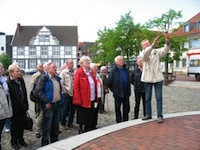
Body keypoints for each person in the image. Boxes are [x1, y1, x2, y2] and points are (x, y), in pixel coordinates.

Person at [140, 35, 170, 123]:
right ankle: (148, 114)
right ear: (143, 46)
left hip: (158, 78)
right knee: (147, 98)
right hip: (147, 79)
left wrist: (167, 42)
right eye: (146, 44)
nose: (149, 44)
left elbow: (165, 50)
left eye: (149, 43)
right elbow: (145, 55)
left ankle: (160, 116)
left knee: (159, 97)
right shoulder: (142, 53)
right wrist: (152, 45)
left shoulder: (156, 52)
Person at [35, 62, 62, 146]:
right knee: (47, 125)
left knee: (56, 123)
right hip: (48, 105)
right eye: (53, 67)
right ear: (48, 69)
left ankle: (54, 139)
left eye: (55, 67)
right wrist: (46, 101)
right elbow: (38, 91)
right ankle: (45, 142)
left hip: (57, 104)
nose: (55, 68)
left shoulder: (57, 78)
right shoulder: (44, 78)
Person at [73, 56, 98, 134]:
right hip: (83, 98)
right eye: (86, 61)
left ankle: (89, 128)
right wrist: (78, 98)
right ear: (81, 63)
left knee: (90, 113)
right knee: (82, 114)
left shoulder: (91, 72)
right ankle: (81, 129)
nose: (88, 62)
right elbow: (76, 86)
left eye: (89, 60)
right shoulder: (79, 72)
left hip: (92, 97)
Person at [7, 63, 29, 149]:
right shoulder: (9, 82)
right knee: (15, 126)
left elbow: (24, 93)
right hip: (15, 109)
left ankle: (21, 139)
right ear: (12, 72)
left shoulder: (21, 80)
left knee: (22, 125)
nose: (19, 72)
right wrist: (16, 106)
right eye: (17, 71)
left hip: (23, 107)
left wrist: (26, 105)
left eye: (19, 71)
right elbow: (11, 98)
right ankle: (14, 141)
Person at [107, 56, 131, 123]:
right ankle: (119, 121)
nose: (122, 61)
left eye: (122, 60)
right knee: (118, 107)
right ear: (116, 62)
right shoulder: (113, 71)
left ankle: (126, 120)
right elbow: (109, 82)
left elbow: (129, 79)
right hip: (118, 92)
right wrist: (114, 90)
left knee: (126, 108)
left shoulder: (125, 70)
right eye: (120, 60)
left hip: (126, 92)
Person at [59, 59, 76, 131]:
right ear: (67, 64)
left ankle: (70, 123)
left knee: (72, 109)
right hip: (66, 93)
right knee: (65, 110)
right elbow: (61, 82)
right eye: (71, 63)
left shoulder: (74, 72)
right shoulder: (63, 72)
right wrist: (65, 91)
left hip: (73, 93)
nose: (73, 64)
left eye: (73, 63)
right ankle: (63, 124)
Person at [29, 63, 44, 138]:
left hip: (43, 98)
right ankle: (38, 131)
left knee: (42, 114)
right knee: (39, 114)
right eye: (41, 67)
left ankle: (41, 128)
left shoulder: (45, 74)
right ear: (38, 68)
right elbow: (32, 85)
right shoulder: (35, 75)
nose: (42, 68)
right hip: (38, 98)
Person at [0, 62, 12, 150]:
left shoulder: (2, 79)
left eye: (1, 67)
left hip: (5, 106)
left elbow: (6, 91)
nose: (1, 68)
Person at [90, 63, 102, 129]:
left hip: (99, 97)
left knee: (96, 111)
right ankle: (91, 125)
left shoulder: (97, 76)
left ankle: (94, 124)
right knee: (92, 111)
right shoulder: (91, 76)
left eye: (96, 67)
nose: (96, 69)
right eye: (95, 67)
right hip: (94, 97)